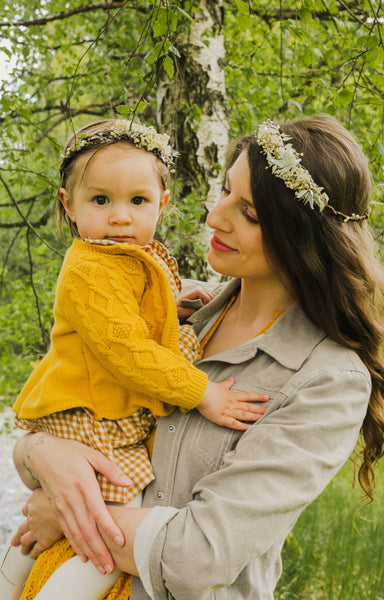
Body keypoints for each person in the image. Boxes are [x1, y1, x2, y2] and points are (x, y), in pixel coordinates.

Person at [8, 115, 384, 600]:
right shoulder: (174, 312)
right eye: (225, 190)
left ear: (302, 234)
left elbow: (197, 554)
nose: (215, 218)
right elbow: (73, 414)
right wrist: (40, 453)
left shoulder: (328, 380)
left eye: (249, 213)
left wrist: (67, 509)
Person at [0, 119, 269, 600]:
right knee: (105, 525)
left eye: (138, 201)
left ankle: (13, 577)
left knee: (64, 516)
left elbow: (139, 307)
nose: (121, 217)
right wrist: (201, 392)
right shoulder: (87, 267)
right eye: (101, 200)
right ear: (69, 204)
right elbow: (128, 352)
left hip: (102, 415)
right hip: (91, 417)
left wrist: (179, 303)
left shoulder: (129, 256)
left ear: (161, 204)